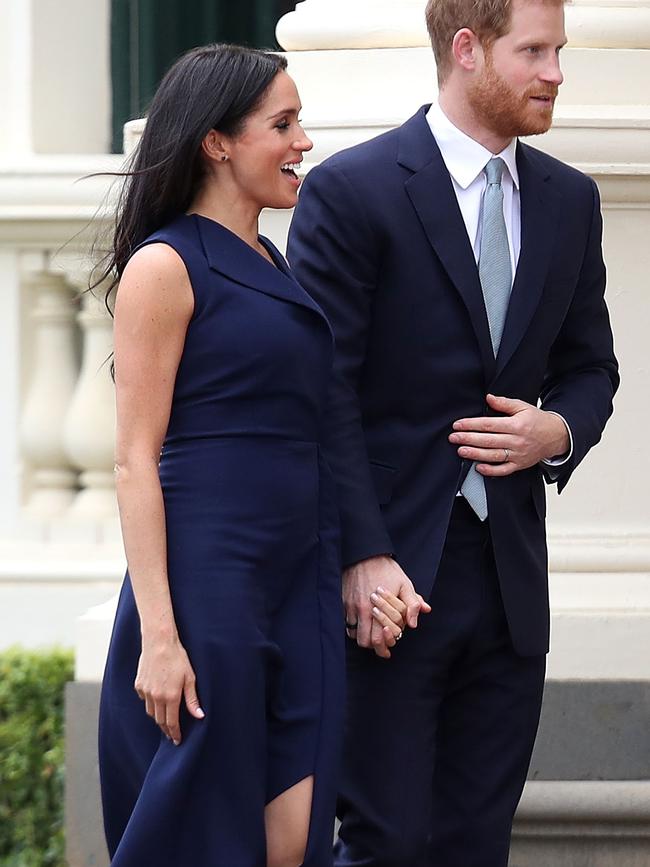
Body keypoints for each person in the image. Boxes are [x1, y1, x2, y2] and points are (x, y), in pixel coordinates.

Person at [287, 0, 619, 862]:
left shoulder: (570, 201)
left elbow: (592, 370)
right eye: (535, 51)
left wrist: (559, 431)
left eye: (560, 51)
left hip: (510, 588)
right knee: (386, 842)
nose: (556, 72)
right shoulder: (351, 189)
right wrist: (361, 553)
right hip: (389, 584)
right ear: (467, 50)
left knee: (477, 844)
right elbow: (323, 392)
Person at [96, 43, 383, 867]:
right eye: (283, 124)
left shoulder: (272, 259)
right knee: (212, 836)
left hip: (300, 571)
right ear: (217, 143)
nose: (303, 143)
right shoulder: (164, 264)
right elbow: (133, 459)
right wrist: (160, 633)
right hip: (209, 580)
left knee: (291, 838)